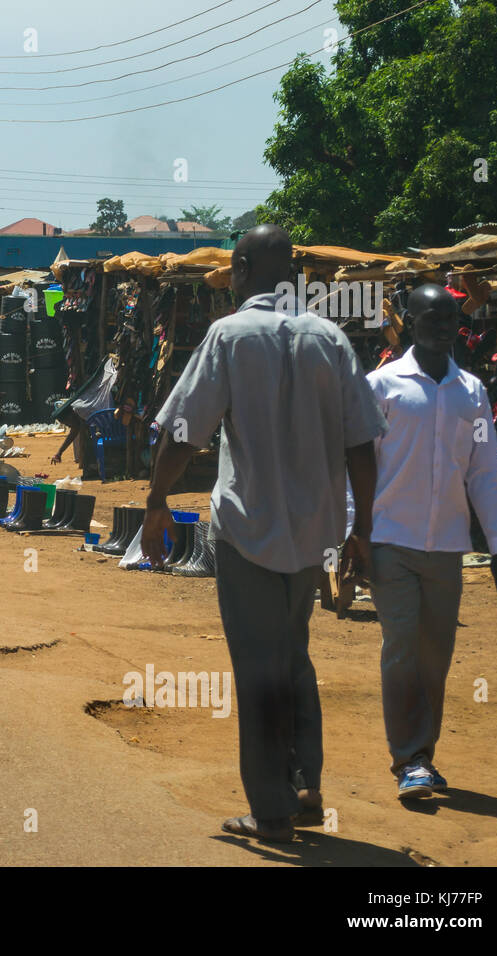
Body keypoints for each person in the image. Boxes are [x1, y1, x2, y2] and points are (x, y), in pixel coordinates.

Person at [140, 224, 386, 843]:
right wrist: (365, 531)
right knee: (291, 654)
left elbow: (183, 433)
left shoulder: (229, 336)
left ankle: (271, 811)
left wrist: (156, 501)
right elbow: (362, 444)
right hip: (315, 535)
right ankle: (305, 783)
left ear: (242, 269)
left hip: (249, 533)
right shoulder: (330, 338)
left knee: (257, 669)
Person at [362, 284, 497, 799]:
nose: (444, 327)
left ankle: (423, 754)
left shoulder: (470, 392)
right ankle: (408, 758)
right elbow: (357, 469)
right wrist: (351, 535)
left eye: (451, 318)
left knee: (435, 656)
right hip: (389, 540)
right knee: (402, 649)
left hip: (448, 549)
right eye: (432, 317)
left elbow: (483, 474)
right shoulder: (381, 386)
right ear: (408, 321)